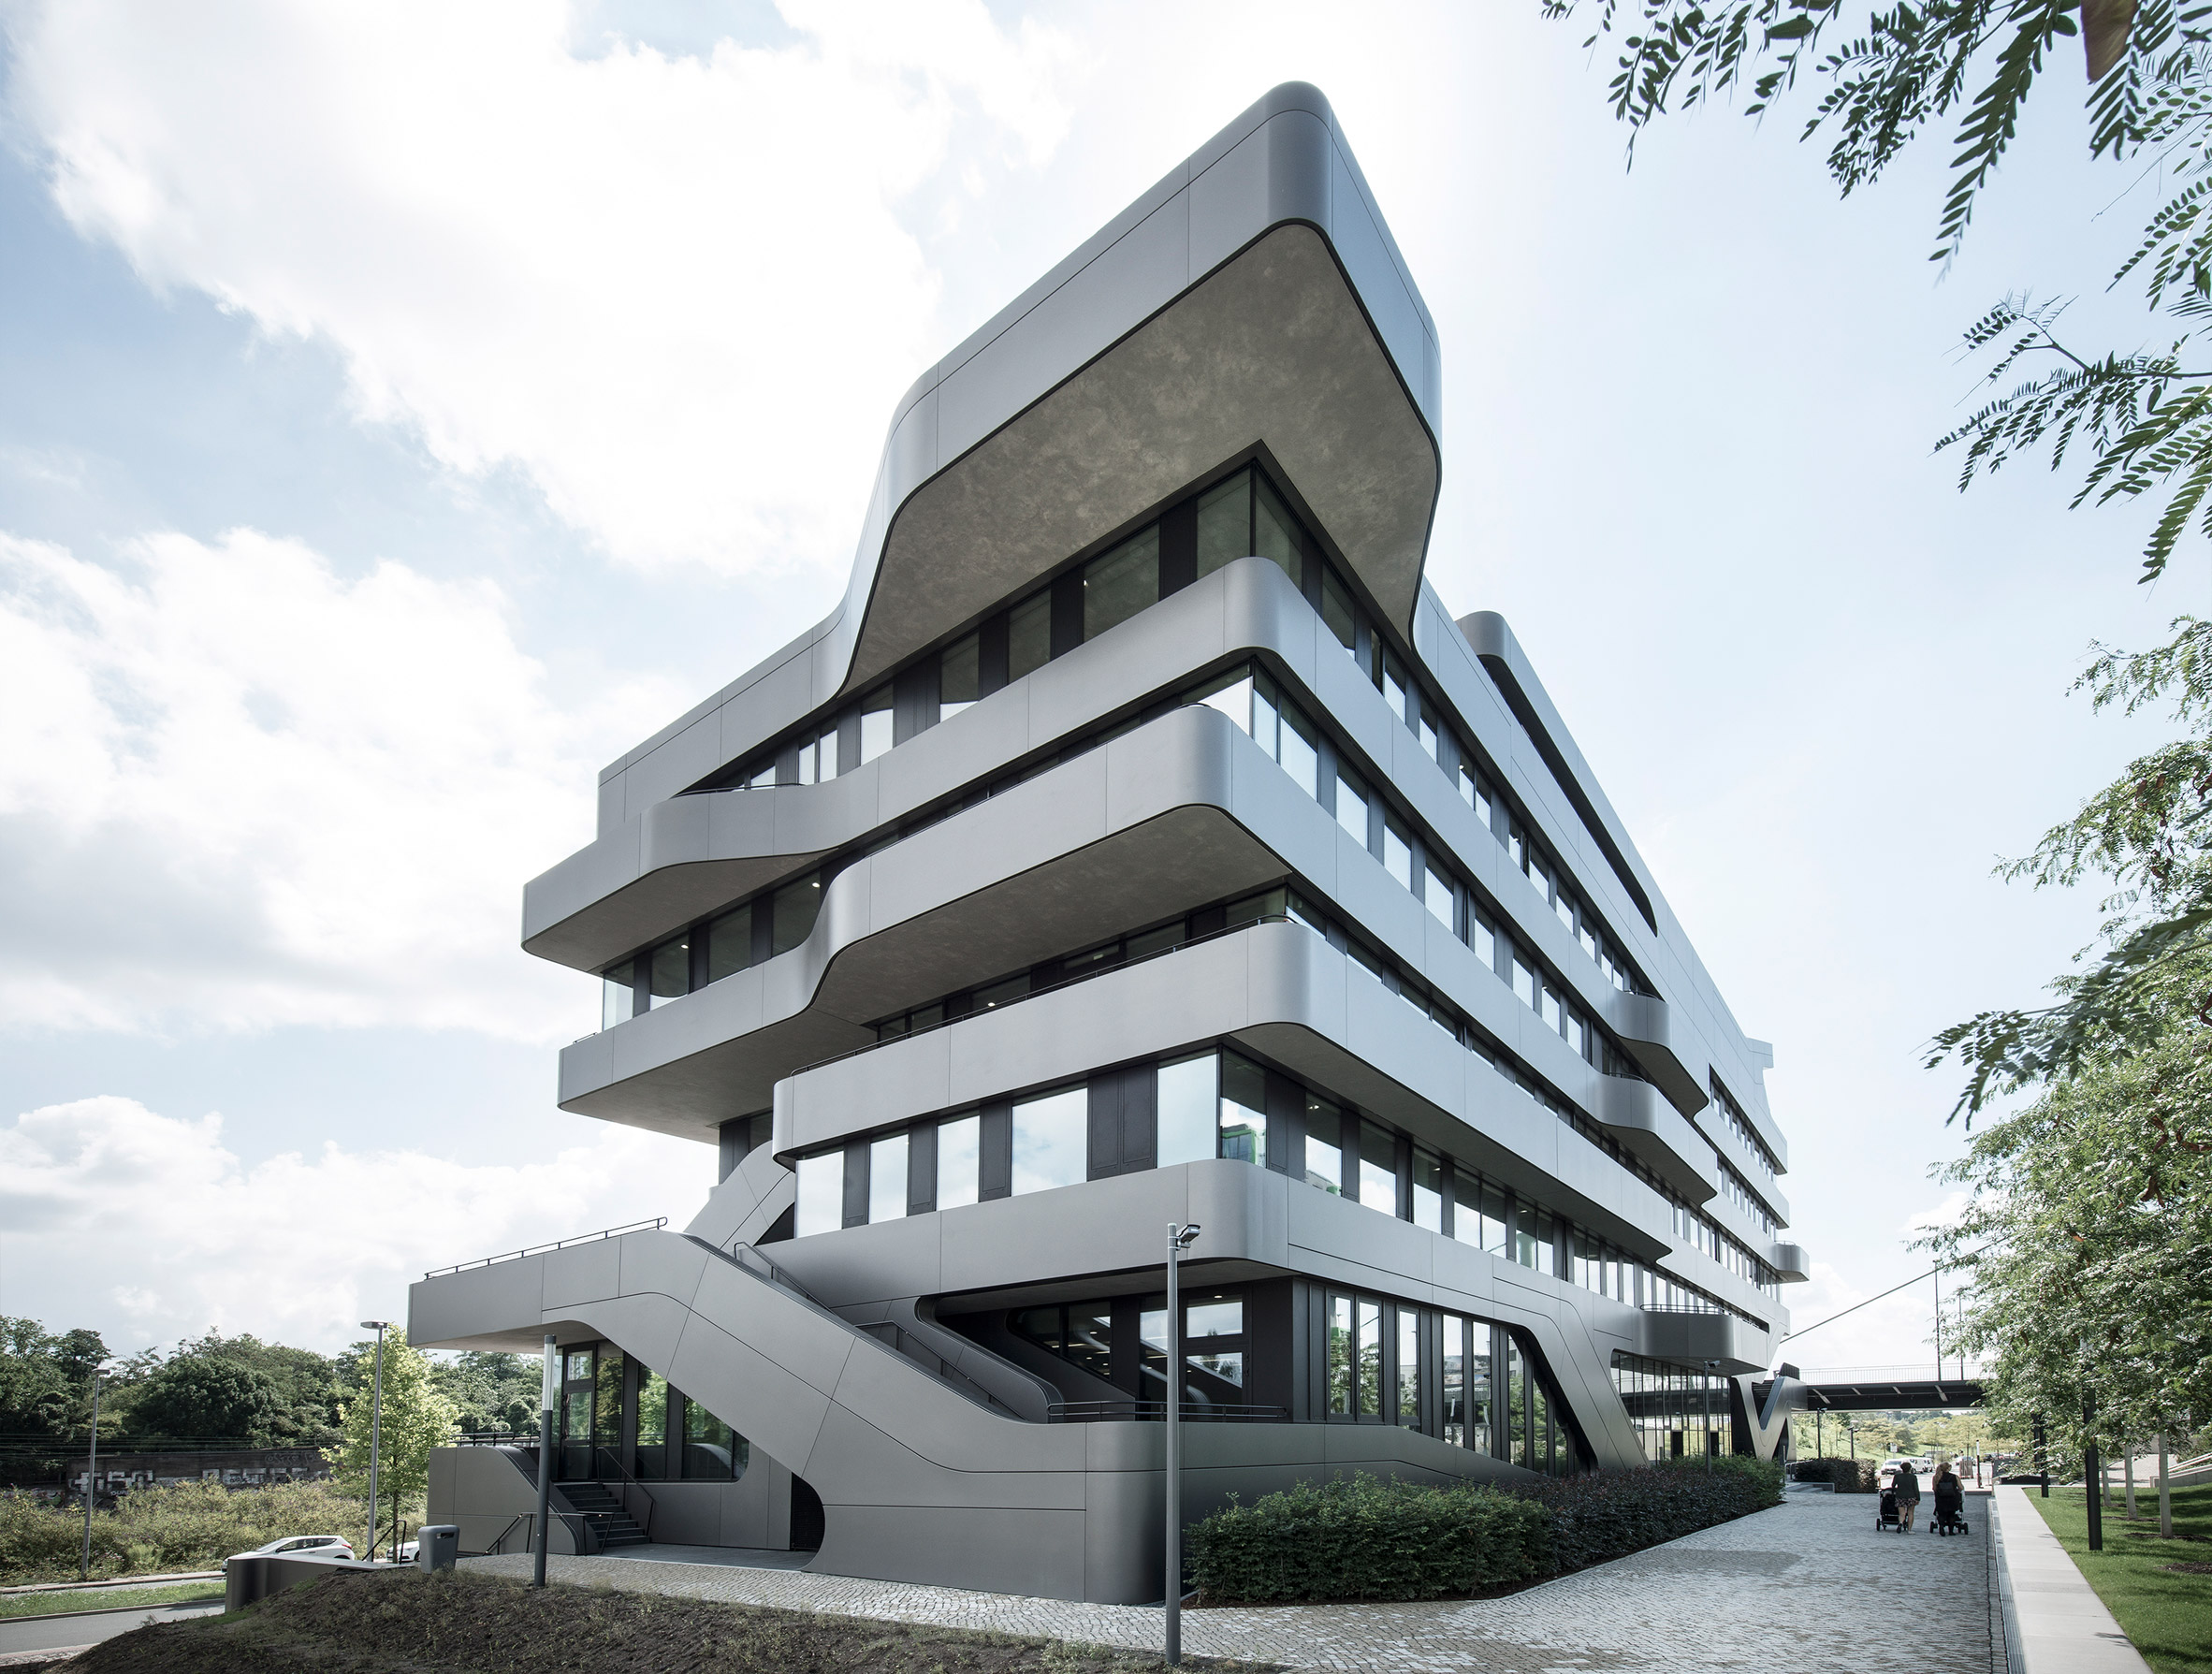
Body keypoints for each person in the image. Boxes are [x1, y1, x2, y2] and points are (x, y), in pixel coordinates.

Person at [1932, 1461, 1963, 1530]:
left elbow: (1934, 1489)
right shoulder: (1954, 1477)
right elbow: (1961, 1488)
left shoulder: (1936, 1477)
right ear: (1948, 1468)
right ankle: (1951, 1531)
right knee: (1951, 1514)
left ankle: (1941, 1526)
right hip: (1952, 1498)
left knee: (1941, 1514)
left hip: (1940, 1499)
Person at [1893, 1460, 1922, 1531]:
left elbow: (1893, 1485)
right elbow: (1916, 1488)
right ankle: (1909, 1530)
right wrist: (1918, 1498)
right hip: (1911, 1496)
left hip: (1900, 1496)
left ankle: (1900, 1522)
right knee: (1910, 1513)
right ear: (1910, 1468)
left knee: (1902, 1513)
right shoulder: (1913, 1477)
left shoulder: (1897, 1476)